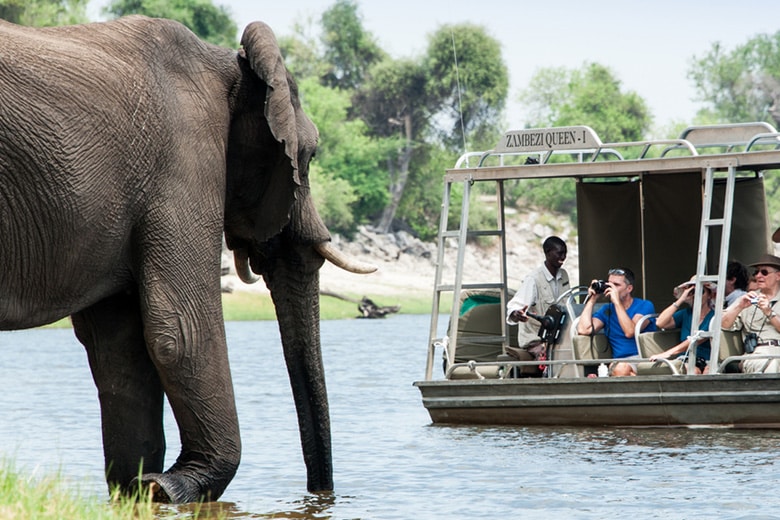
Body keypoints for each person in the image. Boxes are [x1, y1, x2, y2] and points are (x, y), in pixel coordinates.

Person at [576, 267, 656, 376]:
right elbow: (583, 330)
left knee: (621, 368)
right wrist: (593, 299)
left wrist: (617, 302)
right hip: (619, 362)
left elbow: (630, 331)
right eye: (609, 284)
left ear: (629, 288)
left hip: (642, 357)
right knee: (619, 368)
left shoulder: (645, 305)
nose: (611, 288)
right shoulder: (607, 310)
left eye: (616, 285)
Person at [506, 236, 570, 349]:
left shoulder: (564, 275)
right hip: (536, 341)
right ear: (548, 253)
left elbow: (569, 303)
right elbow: (515, 306)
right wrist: (516, 314)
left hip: (558, 339)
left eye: (565, 253)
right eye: (560, 253)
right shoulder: (533, 279)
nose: (563, 257)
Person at [722, 253, 780, 373]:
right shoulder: (747, 299)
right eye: (756, 272)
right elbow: (723, 324)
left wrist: (770, 313)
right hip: (758, 353)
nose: (758, 276)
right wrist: (739, 306)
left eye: (764, 272)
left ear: (778, 276)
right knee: (771, 364)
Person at [651, 277, 717, 374]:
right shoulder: (685, 314)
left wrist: (668, 353)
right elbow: (660, 323)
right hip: (687, 359)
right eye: (693, 291)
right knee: (693, 371)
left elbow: (696, 340)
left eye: (701, 291)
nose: (696, 295)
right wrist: (681, 299)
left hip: (708, 359)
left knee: (708, 372)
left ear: (709, 295)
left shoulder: (714, 317)